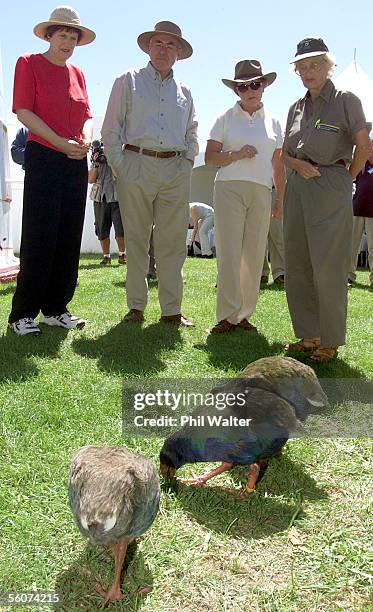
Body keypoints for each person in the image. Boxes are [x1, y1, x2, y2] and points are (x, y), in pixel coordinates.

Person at [102, 21, 198, 326]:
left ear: (179, 53)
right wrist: (121, 167)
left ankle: (171, 311)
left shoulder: (185, 91)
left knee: (172, 243)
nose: (163, 50)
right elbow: (111, 129)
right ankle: (136, 307)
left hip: (174, 169)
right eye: (158, 43)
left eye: (171, 45)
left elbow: (193, 131)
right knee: (137, 241)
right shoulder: (127, 81)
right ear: (148, 47)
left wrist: (187, 163)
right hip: (136, 165)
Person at [8, 6, 95, 336]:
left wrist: (86, 139)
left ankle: (56, 308)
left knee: (69, 236)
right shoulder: (28, 63)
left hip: (75, 159)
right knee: (40, 235)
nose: (68, 41)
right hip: (44, 156)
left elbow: (86, 114)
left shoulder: (78, 73)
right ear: (49, 36)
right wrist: (59, 142)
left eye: (74, 36)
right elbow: (23, 111)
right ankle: (23, 314)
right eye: (63, 35)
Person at [282, 37, 370, 361]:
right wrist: (296, 164)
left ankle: (330, 341)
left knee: (329, 268)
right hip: (296, 187)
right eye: (303, 66)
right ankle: (309, 335)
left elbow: (364, 146)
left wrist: (345, 178)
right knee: (297, 264)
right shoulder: (295, 107)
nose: (309, 71)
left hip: (330, 184)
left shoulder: (347, 100)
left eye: (315, 65)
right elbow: (285, 155)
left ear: (328, 66)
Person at [205, 60, 285, 333]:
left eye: (255, 84)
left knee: (253, 254)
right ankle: (227, 315)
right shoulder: (224, 118)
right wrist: (236, 154)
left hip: (262, 190)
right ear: (236, 90)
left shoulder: (274, 121)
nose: (250, 90)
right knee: (229, 252)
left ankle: (244, 315)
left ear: (263, 86)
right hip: (229, 187)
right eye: (243, 86)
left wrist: (280, 197)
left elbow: (278, 165)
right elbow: (210, 157)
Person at [88, 140, 126, 265]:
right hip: (100, 196)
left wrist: (111, 161)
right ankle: (106, 256)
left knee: (120, 227)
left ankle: (122, 254)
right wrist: (96, 164)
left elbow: (120, 176)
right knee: (101, 227)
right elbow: (91, 179)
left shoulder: (121, 154)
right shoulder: (96, 156)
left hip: (117, 196)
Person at [348, 131, 373, 290]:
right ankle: (348, 275)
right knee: (351, 247)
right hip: (356, 210)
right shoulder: (360, 164)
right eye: (369, 146)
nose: (370, 149)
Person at [261, 188, 285, 284]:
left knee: (277, 233)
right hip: (253, 185)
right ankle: (261, 272)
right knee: (256, 234)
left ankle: (280, 271)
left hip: (273, 187)